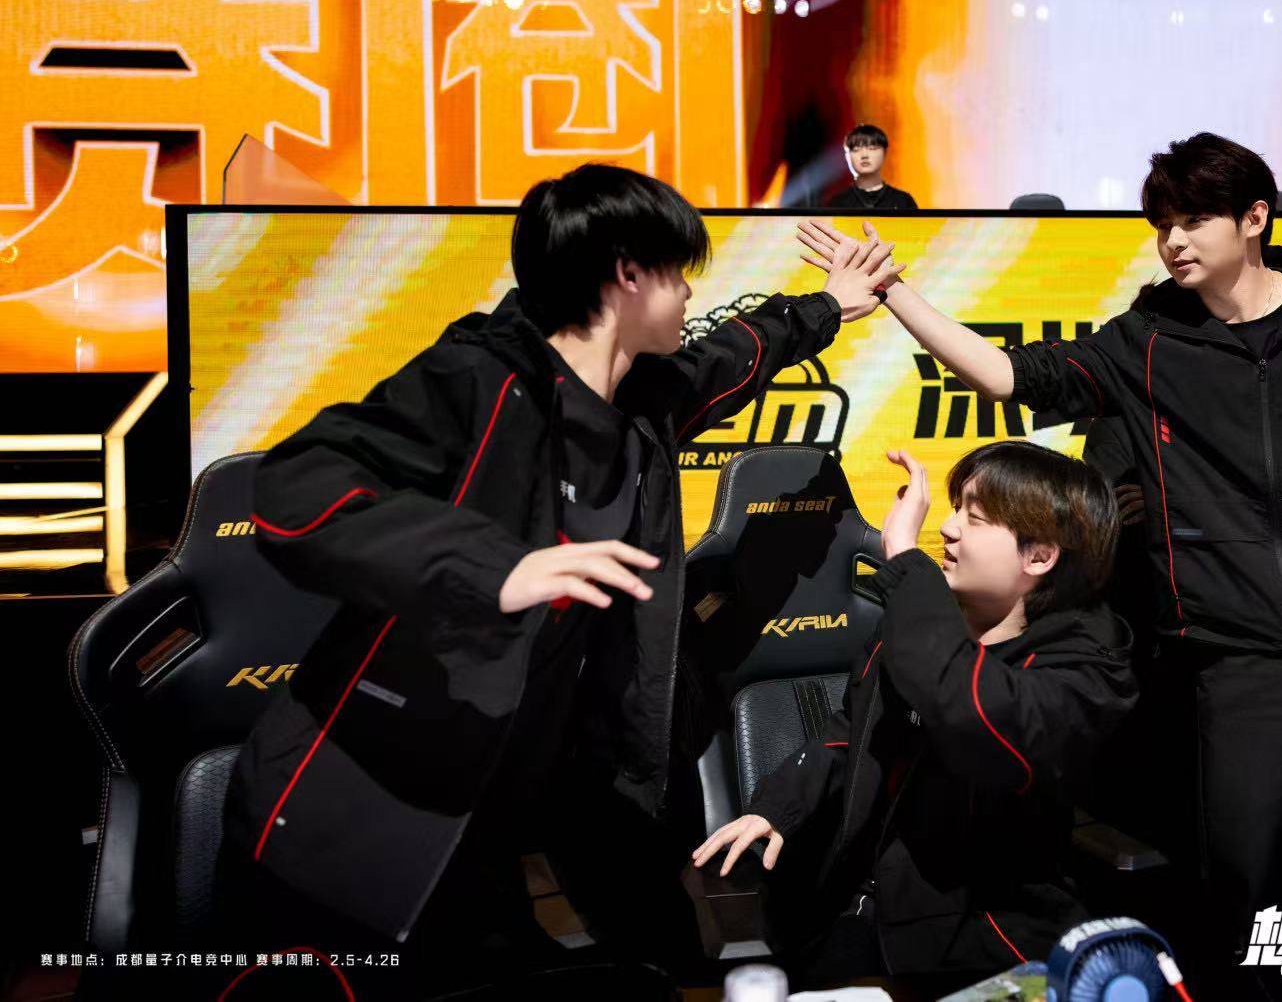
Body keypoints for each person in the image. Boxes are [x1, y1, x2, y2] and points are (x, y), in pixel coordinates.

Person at [212, 163, 903, 1000]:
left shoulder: (644, 398)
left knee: (656, 965)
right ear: (627, 273)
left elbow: (733, 356)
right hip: (368, 813)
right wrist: (496, 565)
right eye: (679, 271)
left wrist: (828, 305)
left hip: (529, 793)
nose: (691, 293)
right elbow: (296, 489)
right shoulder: (477, 379)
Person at [796, 132, 1282, 961]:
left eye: (1193, 221)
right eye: (1162, 225)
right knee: (1244, 882)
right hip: (1238, 652)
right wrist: (896, 292)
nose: (1173, 242)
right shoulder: (1147, 338)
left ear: (1254, 218)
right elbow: (1008, 375)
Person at [692, 442, 1136, 981]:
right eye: (954, 510)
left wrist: (906, 563)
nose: (947, 529)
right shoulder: (919, 623)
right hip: (863, 906)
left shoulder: (1085, 671)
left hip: (988, 934)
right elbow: (852, 731)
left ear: (1039, 556)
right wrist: (779, 807)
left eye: (974, 519)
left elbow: (971, 711)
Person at [825, 123, 918, 211]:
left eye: (872, 148)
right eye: (856, 149)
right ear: (847, 156)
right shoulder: (837, 203)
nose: (864, 155)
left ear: (885, 153)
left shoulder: (903, 201)